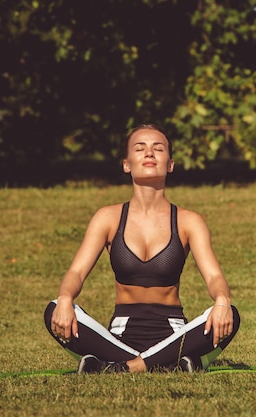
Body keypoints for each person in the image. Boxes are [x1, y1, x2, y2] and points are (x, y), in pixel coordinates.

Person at [44, 124, 240, 373]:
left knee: (230, 314)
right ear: (127, 164)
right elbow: (76, 273)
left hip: (173, 332)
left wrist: (222, 300)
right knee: (53, 309)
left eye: (158, 149)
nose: (149, 153)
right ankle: (172, 365)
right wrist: (64, 299)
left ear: (170, 164)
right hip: (120, 335)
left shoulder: (188, 221)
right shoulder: (107, 218)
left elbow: (214, 276)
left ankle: (118, 367)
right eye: (140, 148)